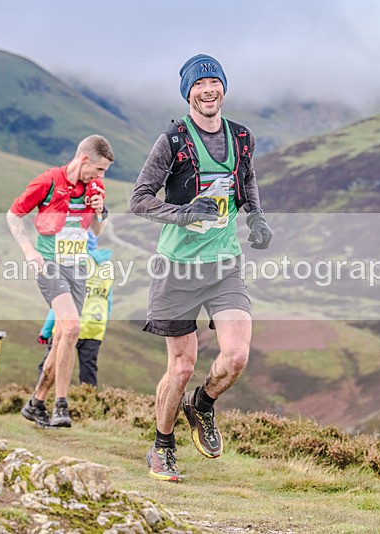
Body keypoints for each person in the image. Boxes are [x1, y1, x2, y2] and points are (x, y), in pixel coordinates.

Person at [130, 54, 273, 481]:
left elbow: (246, 177)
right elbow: (139, 199)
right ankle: (162, 447)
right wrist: (183, 213)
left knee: (236, 356)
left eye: (214, 82)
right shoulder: (173, 140)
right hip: (177, 268)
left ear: (223, 88)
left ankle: (202, 404)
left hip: (224, 265)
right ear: (188, 93)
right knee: (181, 367)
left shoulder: (241, 137)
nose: (208, 90)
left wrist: (256, 216)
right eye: (199, 84)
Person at [7, 135, 113, 428]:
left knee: (62, 338)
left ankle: (36, 402)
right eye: (100, 169)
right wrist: (28, 251)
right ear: (84, 159)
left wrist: (100, 211)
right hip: (49, 264)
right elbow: (13, 215)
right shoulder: (48, 181)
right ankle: (61, 405)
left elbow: (97, 231)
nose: (101, 176)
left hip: (77, 267)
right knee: (73, 328)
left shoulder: (95, 187)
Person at [37, 230, 114, 387]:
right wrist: (102, 325)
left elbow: (59, 303)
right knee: (88, 371)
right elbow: (108, 300)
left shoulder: (73, 264)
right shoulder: (106, 266)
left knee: (51, 364)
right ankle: (88, 399)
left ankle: (42, 397)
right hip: (94, 328)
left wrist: (46, 331)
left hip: (68, 325)